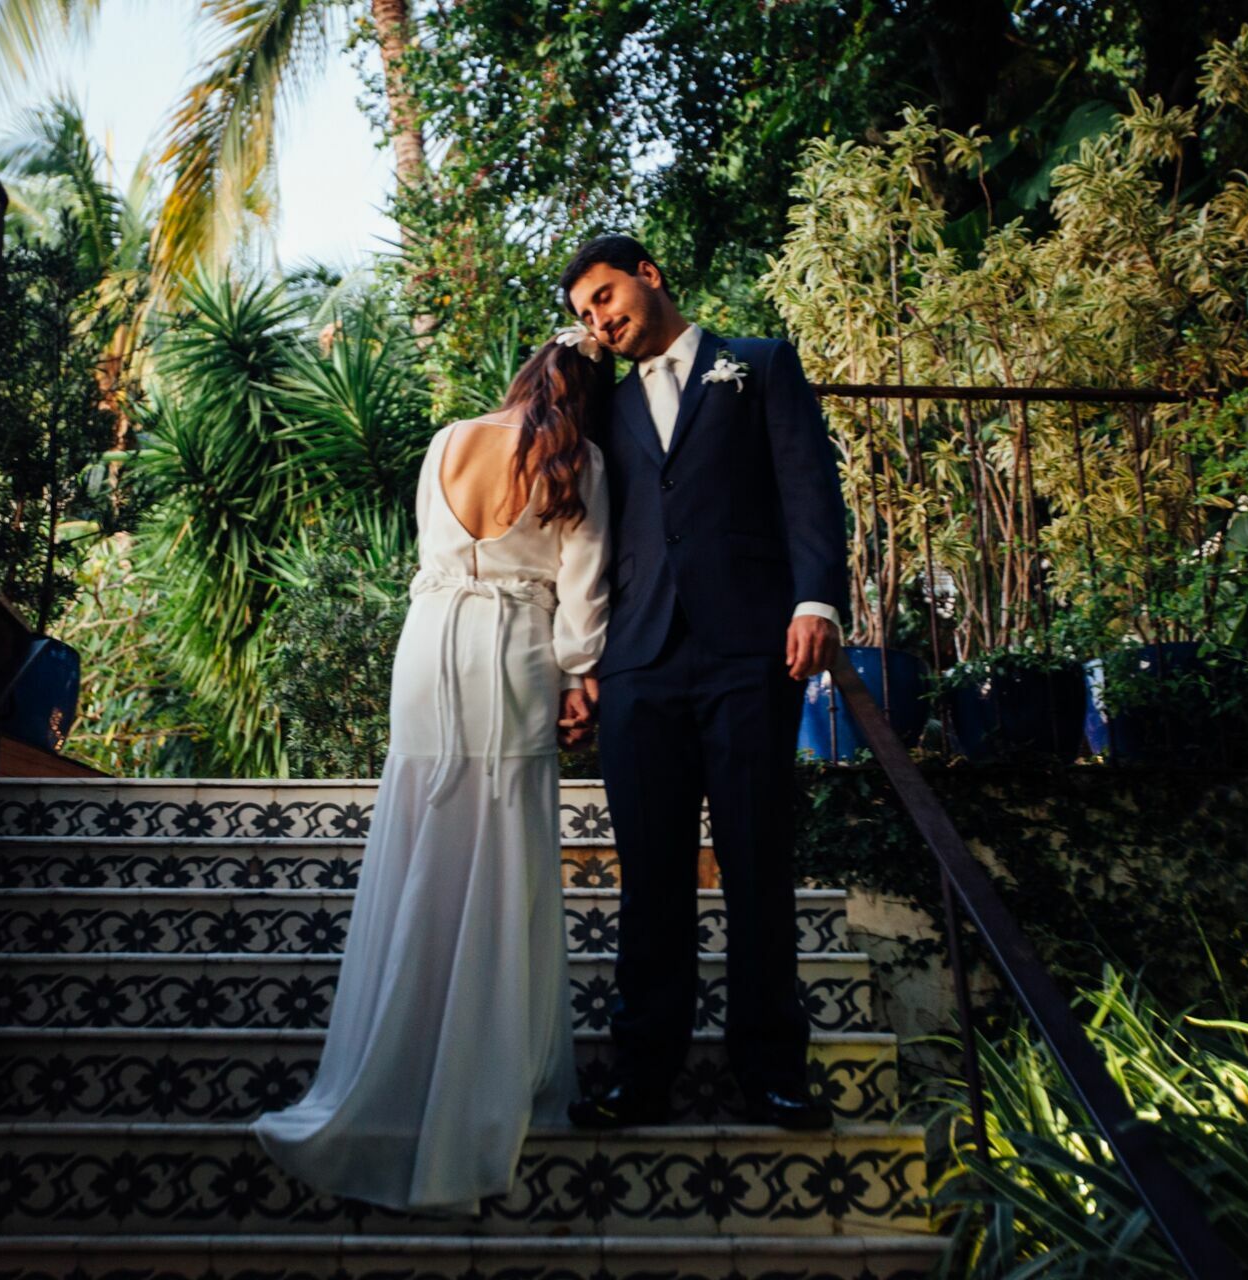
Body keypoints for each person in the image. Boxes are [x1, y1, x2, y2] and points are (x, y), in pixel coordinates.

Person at [250, 328, 612, 1213]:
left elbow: (430, 555)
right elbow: (585, 586)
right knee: (504, 863)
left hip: (427, 651)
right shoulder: (583, 463)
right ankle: (484, 1079)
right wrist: (578, 669)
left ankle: (394, 1062)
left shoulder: (449, 438)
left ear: (525, 375)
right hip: (513, 652)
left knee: (419, 845)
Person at [560, 234, 848, 1131]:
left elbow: (810, 489)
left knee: (759, 862)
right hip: (637, 663)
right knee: (651, 876)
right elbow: (579, 532)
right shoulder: (602, 408)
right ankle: (642, 1073)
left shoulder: (758, 366)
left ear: (648, 274)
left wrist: (817, 602)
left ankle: (773, 1072)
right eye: (584, 315)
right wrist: (580, 662)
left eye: (605, 297)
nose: (600, 321)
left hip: (748, 654)